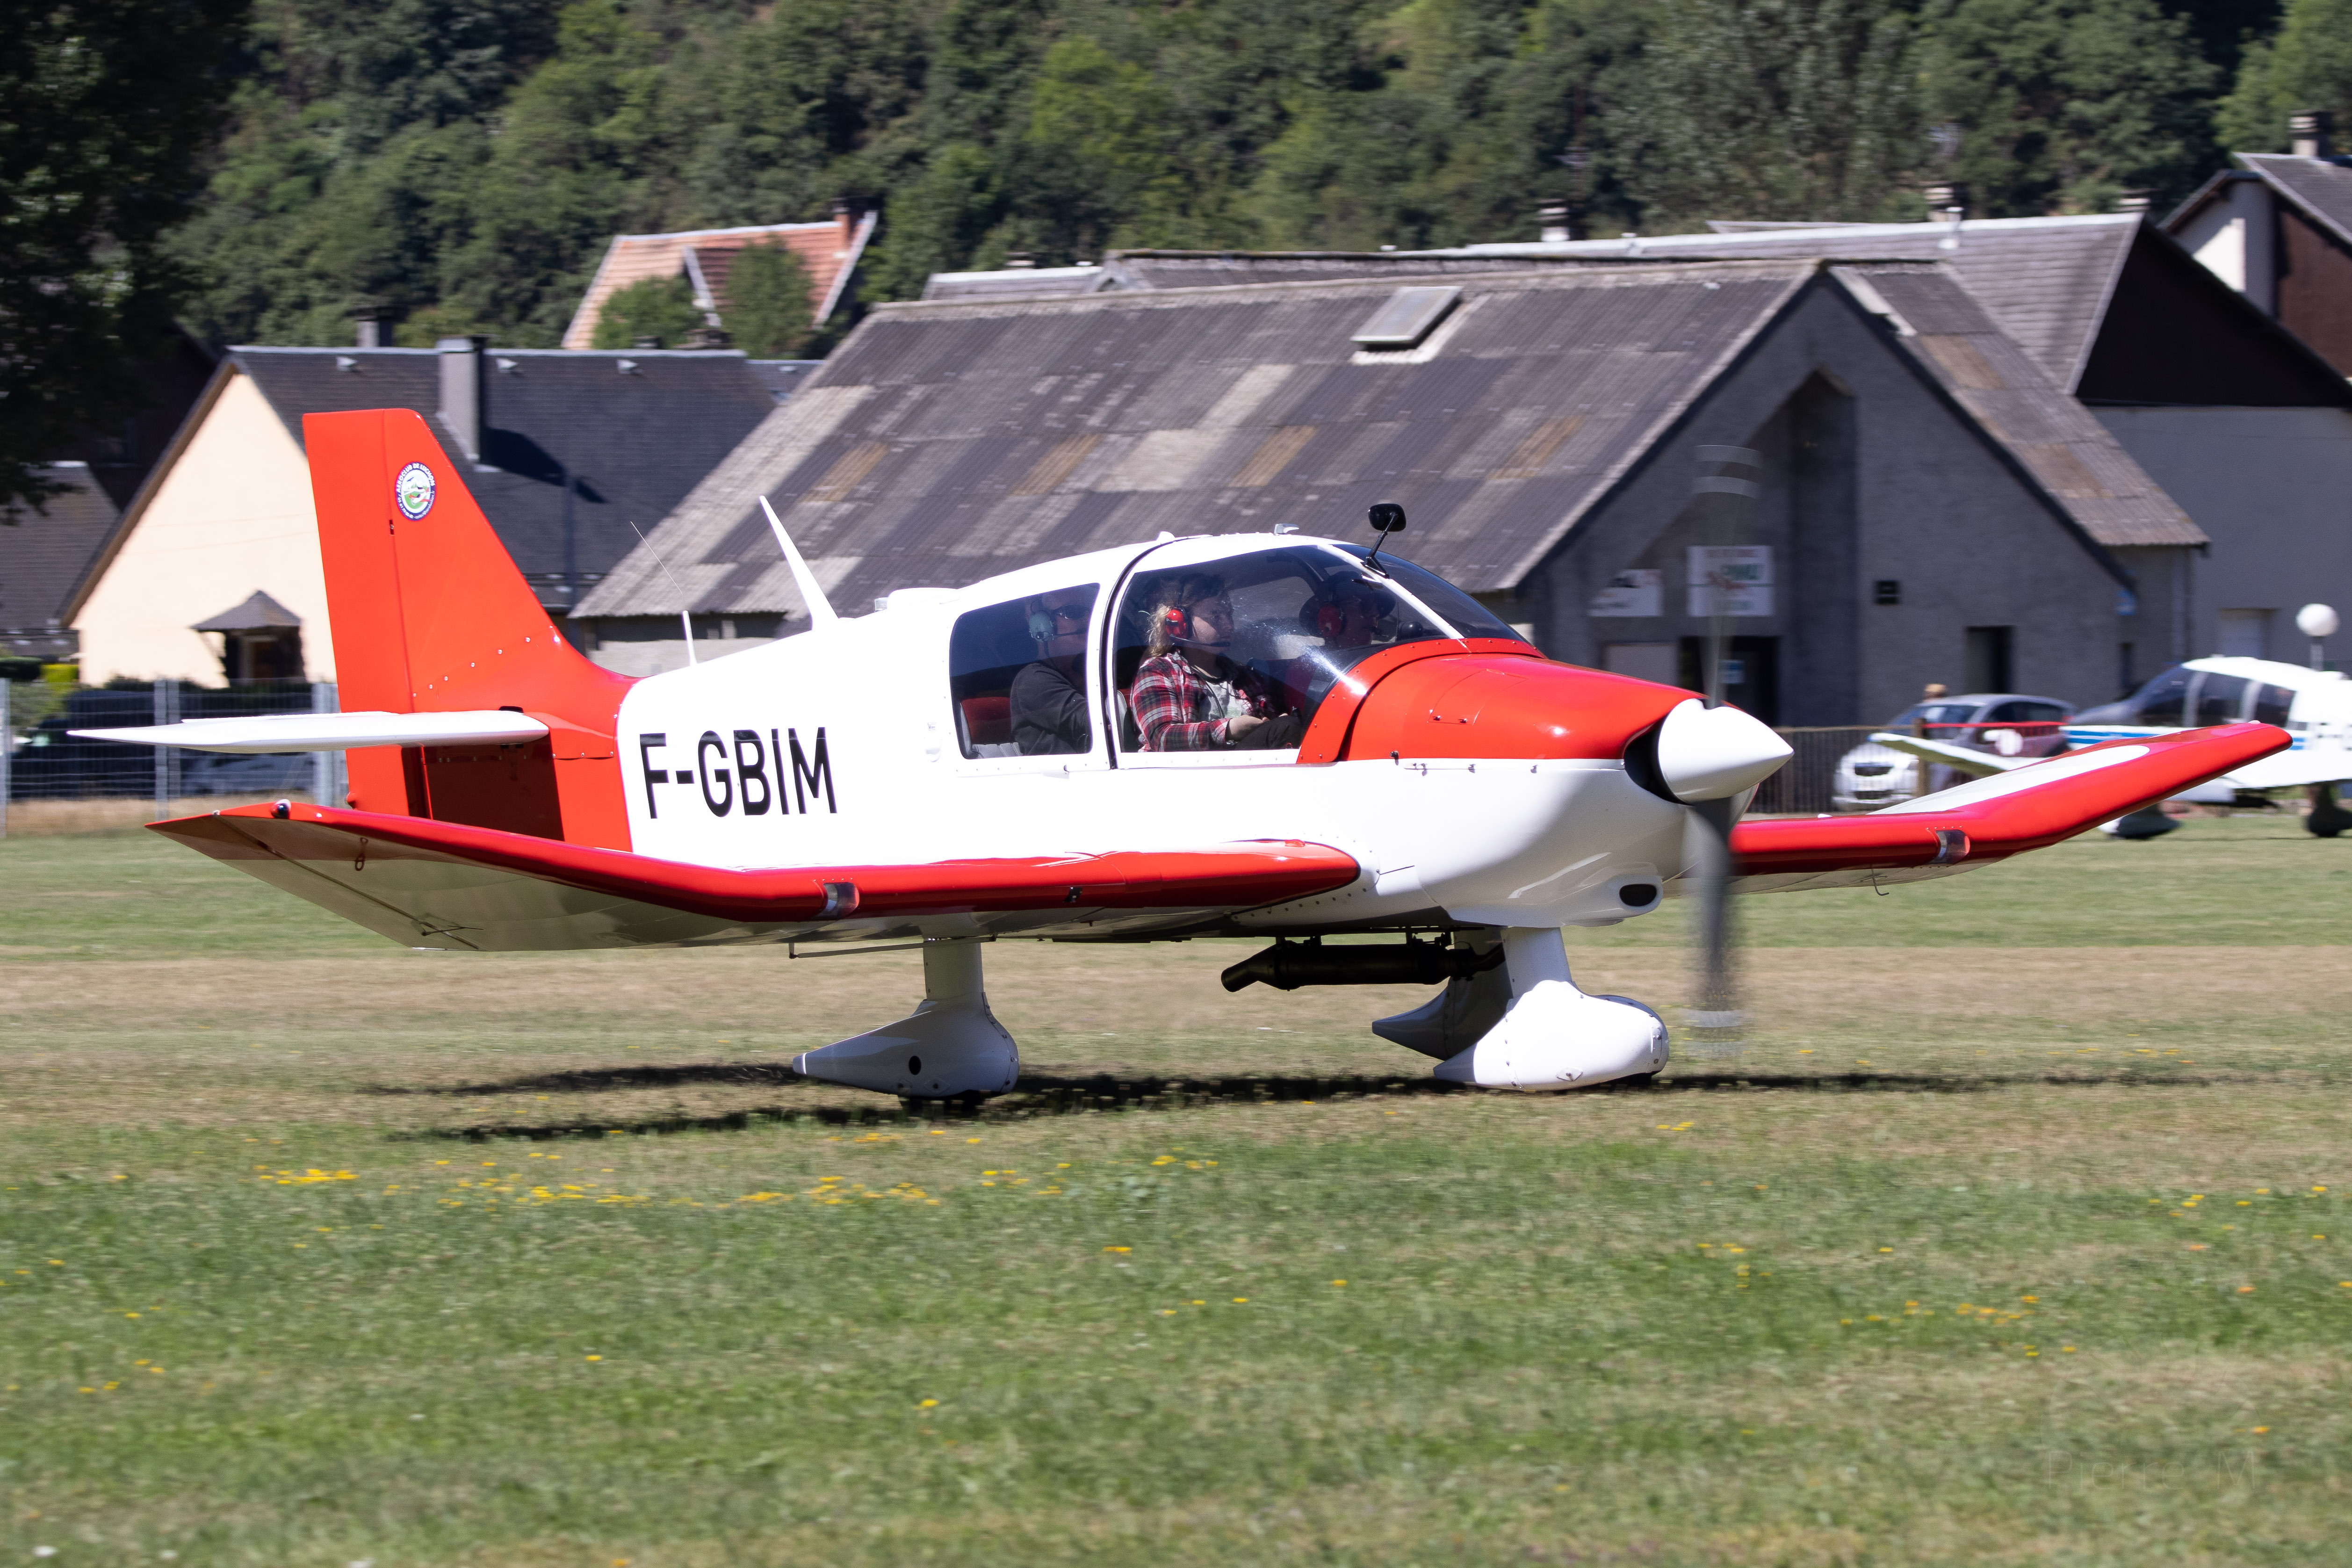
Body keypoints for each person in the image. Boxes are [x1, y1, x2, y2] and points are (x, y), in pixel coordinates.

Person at [1130, 573, 1303, 750]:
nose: (1228, 624)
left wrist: (1272, 723)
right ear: (1180, 622)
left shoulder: (1246, 676)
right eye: (1216, 617)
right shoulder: (1157, 672)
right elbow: (1162, 737)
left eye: (1229, 615)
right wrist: (1228, 729)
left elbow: (1271, 726)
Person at [1010, 586, 1094, 755]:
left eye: (1088, 611)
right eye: (1074, 612)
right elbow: (1092, 721)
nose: (1088, 618)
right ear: (1042, 625)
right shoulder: (1032, 680)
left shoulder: (1086, 671)